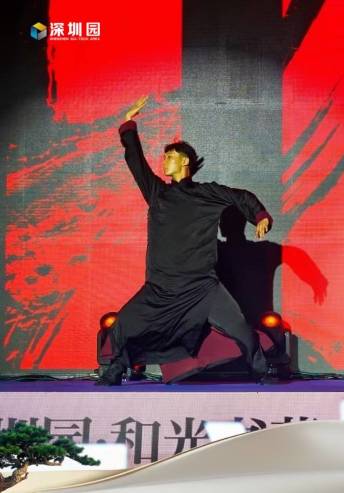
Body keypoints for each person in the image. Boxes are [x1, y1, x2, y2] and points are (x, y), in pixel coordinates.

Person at [97, 96, 273, 385]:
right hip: (161, 287)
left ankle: (262, 371)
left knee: (239, 326)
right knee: (124, 325)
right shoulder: (158, 193)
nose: (164, 161)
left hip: (201, 286)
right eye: (164, 157)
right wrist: (128, 125)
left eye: (169, 157)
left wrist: (260, 216)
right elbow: (136, 162)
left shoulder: (207, 193)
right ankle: (115, 370)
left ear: (185, 161)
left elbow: (241, 197)